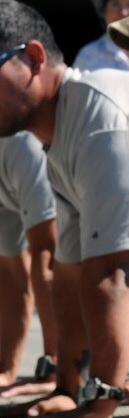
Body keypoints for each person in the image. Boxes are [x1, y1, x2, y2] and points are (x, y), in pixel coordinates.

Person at [0, 0, 129, 418]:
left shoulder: (98, 117)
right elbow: (71, 275)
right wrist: (65, 392)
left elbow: (110, 274)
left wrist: (98, 406)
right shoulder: (58, 131)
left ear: (34, 58)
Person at [0, 132, 58, 396]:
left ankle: (58, 365)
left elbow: (48, 255)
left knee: (46, 252)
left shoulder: (23, 146)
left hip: (20, 143)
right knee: (7, 260)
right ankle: (6, 368)